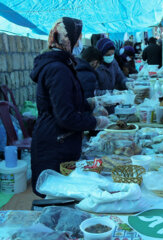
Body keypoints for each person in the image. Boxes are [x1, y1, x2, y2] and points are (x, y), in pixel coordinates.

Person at [30, 17, 109, 197]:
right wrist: (96, 122)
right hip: (55, 145)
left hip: (60, 141)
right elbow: (65, 116)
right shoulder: (57, 69)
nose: (80, 42)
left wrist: (90, 103)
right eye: (79, 37)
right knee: (55, 201)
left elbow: (64, 101)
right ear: (67, 38)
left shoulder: (63, 64)